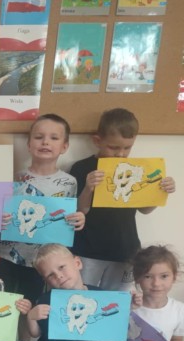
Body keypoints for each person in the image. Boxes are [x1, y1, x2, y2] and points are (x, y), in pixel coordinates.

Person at [0, 114, 85, 341]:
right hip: (7, 254)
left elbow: (73, 215)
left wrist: (79, 218)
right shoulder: (14, 178)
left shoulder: (69, 182)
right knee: (2, 299)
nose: (45, 142)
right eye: (39, 137)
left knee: (29, 304)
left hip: (41, 261)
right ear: (28, 144)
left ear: (64, 146)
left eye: (54, 138)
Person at [71, 108, 176, 291]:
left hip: (125, 251)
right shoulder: (82, 168)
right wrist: (88, 187)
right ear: (97, 141)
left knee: (117, 301)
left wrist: (160, 192)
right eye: (114, 147)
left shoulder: (136, 169)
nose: (120, 154)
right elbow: (80, 210)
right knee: (83, 296)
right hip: (88, 250)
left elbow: (145, 209)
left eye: (127, 148)